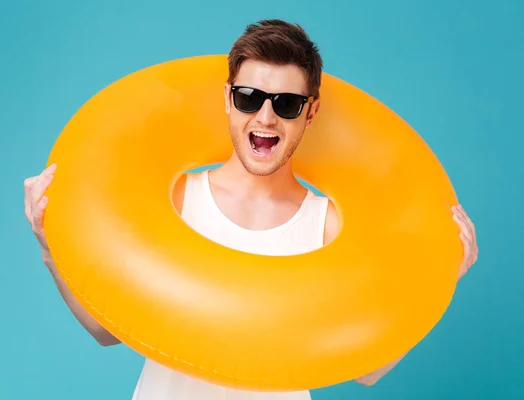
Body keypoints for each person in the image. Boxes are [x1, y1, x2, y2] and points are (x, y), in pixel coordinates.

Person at [23, 19, 479, 400]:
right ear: (227, 98)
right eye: (248, 97)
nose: (265, 118)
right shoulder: (174, 202)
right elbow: (109, 331)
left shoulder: (327, 228)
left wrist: (441, 280)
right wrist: (50, 250)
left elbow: (366, 369)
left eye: (286, 103)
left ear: (311, 112)